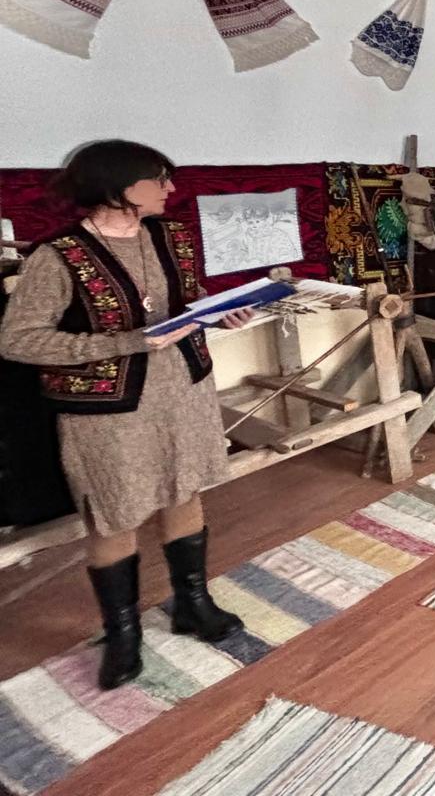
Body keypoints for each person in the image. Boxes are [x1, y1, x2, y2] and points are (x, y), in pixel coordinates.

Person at [0, 141, 250, 690]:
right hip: (108, 411)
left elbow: (186, 298)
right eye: (159, 179)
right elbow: (19, 340)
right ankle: (123, 634)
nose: (171, 188)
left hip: (183, 391)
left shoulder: (173, 236)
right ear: (118, 188)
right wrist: (126, 342)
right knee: (115, 512)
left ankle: (193, 605)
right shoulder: (57, 256)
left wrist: (220, 312)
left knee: (185, 491)